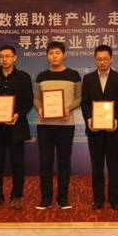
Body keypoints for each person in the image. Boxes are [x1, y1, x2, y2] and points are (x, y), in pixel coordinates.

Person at [0, 45, 33, 211]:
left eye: (8, 56)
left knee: (18, 163)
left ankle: (16, 196)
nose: (4, 59)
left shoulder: (23, 77)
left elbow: (28, 101)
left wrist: (18, 113)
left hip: (16, 128)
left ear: (15, 58)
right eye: (1, 56)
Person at [33, 41, 81, 210]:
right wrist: (40, 108)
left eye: (57, 53)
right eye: (51, 53)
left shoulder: (74, 75)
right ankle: (46, 198)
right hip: (44, 125)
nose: (54, 56)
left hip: (65, 125)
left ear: (64, 55)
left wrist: (69, 108)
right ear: (47, 56)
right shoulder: (41, 76)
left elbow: (79, 97)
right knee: (45, 161)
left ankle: (63, 198)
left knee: (64, 162)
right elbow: (36, 98)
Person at [80, 45, 118, 210]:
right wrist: (89, 120)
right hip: (94, 131)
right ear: (95, 60)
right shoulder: (88, 78)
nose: (102, 62)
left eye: (105, 59)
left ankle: (114, 198)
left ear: (111, 59)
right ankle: (98, 199)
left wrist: (116, 119)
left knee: (114, 166)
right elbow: (85, 103)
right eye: (99, 59)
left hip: (114, 130)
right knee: (97, 166)